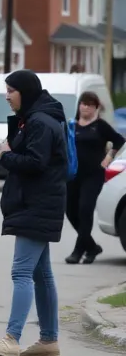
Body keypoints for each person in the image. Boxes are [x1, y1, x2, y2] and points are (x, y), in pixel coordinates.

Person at [0, 69, 66, 356]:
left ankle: (11, 339)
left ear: (25, 92)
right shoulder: (38, 118)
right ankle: (48, 341)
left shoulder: (40, 122)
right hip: (40, 204)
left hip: (37, 205)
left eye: (10, 91)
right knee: (42, 274)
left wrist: (5, 155)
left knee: (21, 272)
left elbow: (36, 162)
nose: (6, 96)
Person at [64, 90, 124, 264]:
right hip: (74, 174)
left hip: (93, 175)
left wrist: (108, 157)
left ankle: (78, 250)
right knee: (71, 211)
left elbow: (119, 140)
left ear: (96, 107)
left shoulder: (100, 126)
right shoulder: (71, 126)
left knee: (85, 209)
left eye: (90, 105)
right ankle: (91, 247)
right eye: (83, 104)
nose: (86, 108)